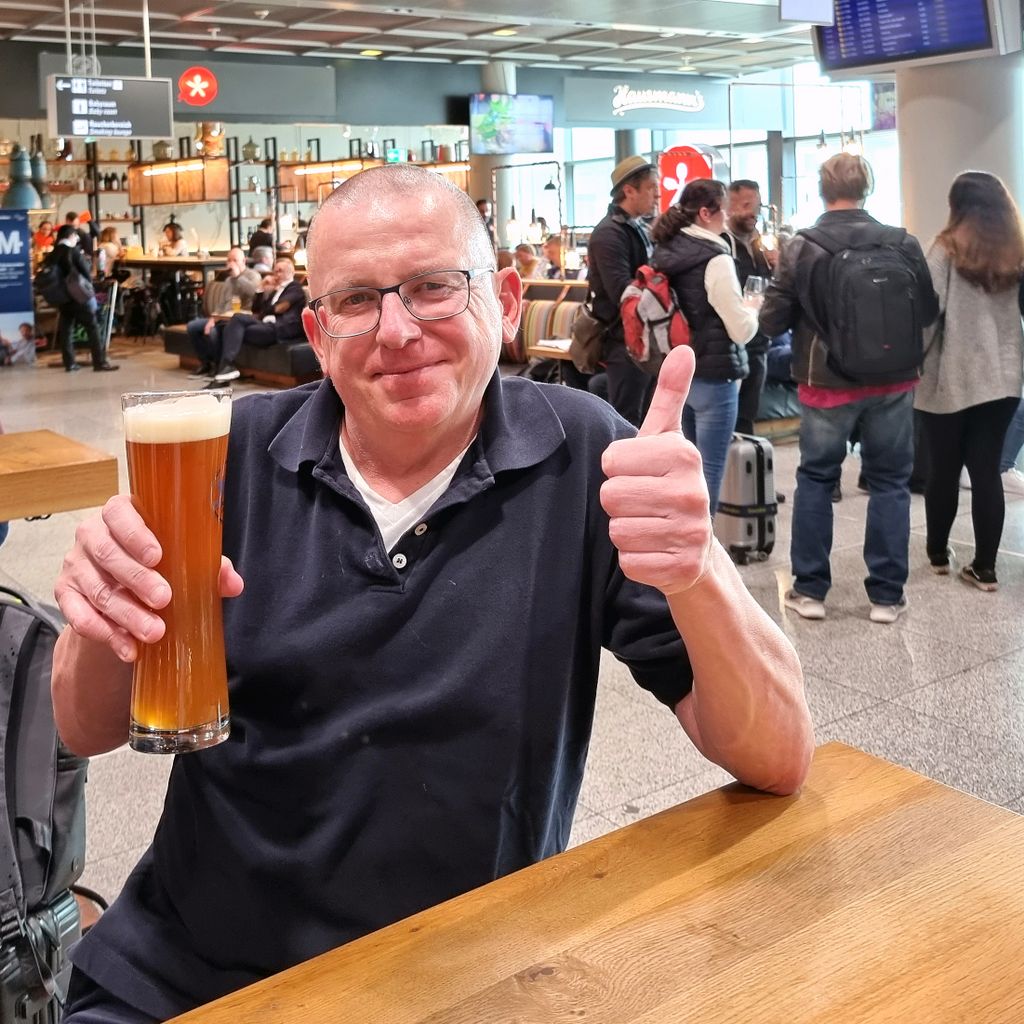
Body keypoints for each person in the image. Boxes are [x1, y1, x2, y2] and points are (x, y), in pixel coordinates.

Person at [51, 164, 813, 1023]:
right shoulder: (226, 455)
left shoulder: (583, 456)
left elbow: (778, 756)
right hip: (190, 975)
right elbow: (87, 727)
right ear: (316, 328)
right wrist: (96, 616)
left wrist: (696, 567)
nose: (398, 330)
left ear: (507, 299)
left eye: (434, 288)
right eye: (356, 301)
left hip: (463, 981)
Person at [759, 154, 937, 623]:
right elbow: (928, 311)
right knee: (890, 482)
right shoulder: (902, 241)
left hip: (826, 382)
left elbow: (772, 319)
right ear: (868, 188)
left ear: (821, 189)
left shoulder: (802, 246)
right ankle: (886, 596)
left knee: (817, 478)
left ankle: (811, 591)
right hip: (896, 379)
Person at [915, 171, 1024, 591]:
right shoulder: (1016, 252)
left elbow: (927, 316)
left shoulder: (944, 249)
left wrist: (915, 364)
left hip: (950, 378)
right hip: (1002, 379)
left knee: (942, 468)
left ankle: (939, 555)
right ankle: (986, 568)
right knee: (986, 470)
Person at [652, 179, 759, 513]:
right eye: (723, 211)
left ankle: (679, 540)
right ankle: (702, 550)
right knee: (708, 469)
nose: (726, 218)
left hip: (678, 372)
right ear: (705, 213)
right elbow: (740, 329)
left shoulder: (665, 251)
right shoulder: (716, 258)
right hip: (715, 375)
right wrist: (753, 311)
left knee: (684, 469)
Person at [587, 156, 660, 426]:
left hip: (641, 337)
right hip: (622, 339)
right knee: (626, 423)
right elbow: (621, 290)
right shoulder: (609, 234)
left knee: (647, 417)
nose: (657, 194)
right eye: (652, 187)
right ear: (629, 190)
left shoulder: (636, 227)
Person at [724, 179, 776, 435]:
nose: (753, 212)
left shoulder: (762, 245)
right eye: (746, 205)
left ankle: (746, 464)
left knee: (748, 412)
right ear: (729, 207)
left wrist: (777, 266)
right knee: (728, 415)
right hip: (731, 343)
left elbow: (774, 287)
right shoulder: (722, 245)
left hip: (759, 340)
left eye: (756, 205)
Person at [208, 257, 306, 382]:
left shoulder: (295, 287)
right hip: (265, 325)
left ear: (291, 272)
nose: (276, 274)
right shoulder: (274, 290)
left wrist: (266, 309)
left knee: (236, 320)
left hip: (279, 329)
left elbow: (279, 309)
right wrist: (261, 287)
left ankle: (226, 367)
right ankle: (223, 370)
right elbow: (256, 309)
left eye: (280, 271)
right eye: (275, 271)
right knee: (224, 326)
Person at [45, 224, 118, 373]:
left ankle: (69, 363)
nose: (77, 238)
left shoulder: (52, 254)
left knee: (66, 330)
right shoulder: (73, 252)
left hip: (62, 298)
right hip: (78, 296)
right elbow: (86, 272)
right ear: (70, 236)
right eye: (76, 236)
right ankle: (100, 362)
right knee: (93, 327)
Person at [184, 248, 263, 379]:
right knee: (193, 326)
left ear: (243, 261)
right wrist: (212, 318)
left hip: (239, 320)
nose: (231, 263)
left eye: (235, 260)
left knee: (214, 332)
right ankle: (206, 363)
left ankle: (217, 366)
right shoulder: (228, 280)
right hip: (222, 317)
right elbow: (221, 304)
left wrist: (238, 276)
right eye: (229, 260)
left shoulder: (253, 275)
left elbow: (253, 293)